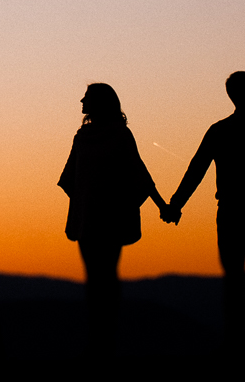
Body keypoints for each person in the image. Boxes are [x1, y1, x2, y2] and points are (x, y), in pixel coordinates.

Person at [164, 70, 245, 347]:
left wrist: (175, 205)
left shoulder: (225, 130)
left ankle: (242, 340)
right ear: (241, 93)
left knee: (240, 280)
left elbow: (196, 169)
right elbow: (196, 169)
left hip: (243, 213)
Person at [58, 82, 171, 348]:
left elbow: (139, 173)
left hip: (107, 221)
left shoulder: (121, 135)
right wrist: (87, 201)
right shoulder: (81, 137)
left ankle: (106, 336)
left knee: (106, 275)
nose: (82, 100)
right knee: (95, 277)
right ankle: (97, 336)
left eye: (87, 97)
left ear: (99, 102)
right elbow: (71, 179)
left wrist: (161, 205)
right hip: (88, 220)